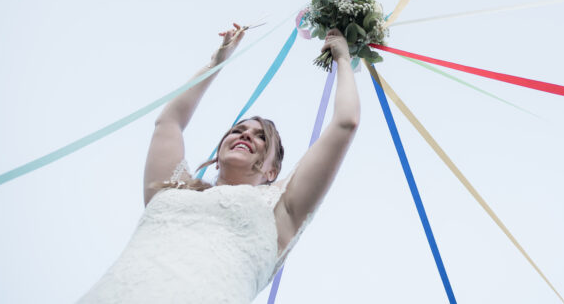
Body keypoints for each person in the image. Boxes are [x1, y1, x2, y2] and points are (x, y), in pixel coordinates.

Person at [79, 24, 360, 304]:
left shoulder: (284, 208)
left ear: (272, 171)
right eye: (238, 130)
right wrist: (216, 63)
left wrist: (343, 59)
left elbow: (345, 123)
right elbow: (168, 122)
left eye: (261, 137)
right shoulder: (171, 188)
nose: (246, 134)